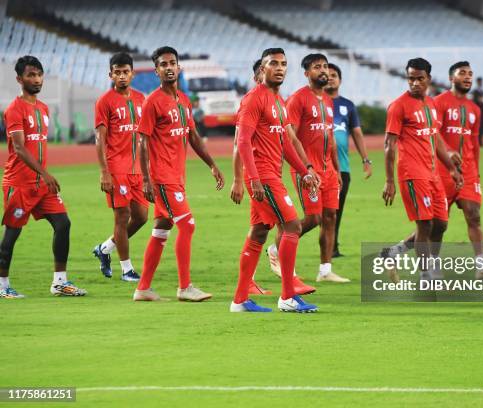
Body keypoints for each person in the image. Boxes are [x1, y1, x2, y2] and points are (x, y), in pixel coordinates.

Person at [133, 46, 225, 302]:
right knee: (188, 225)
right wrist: (147, 180)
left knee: (162, 229)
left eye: (172, 63)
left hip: (177, 176)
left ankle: (143, 288)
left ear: (179, 67)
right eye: (163, 64)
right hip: (162, 177)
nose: (169, 67)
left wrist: (212, 164)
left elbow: (193, 136)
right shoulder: (152, 102)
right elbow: (142, 141)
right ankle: (185, 287)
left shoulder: (183, 100)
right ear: (157, 71)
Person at [230, 48, 319, 312]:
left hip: (271, 174)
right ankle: (288, 296)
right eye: (273, 64)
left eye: (283, 64)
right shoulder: (254, 100)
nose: (279, 68)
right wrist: (253, 179)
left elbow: (285, 145)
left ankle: (240, 301)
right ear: (262, 70)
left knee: (258, 233)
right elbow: (242, 141)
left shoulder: (279, 102)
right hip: (263, 176)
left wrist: (304, 170)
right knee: (292, 227)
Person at [0, 55, 86, 298]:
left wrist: (43, 177)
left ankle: (60, 282)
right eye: (30, 75)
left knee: (63, 224)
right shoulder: (14, 110)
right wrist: (46, 173)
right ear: (19, 79)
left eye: (39, 75)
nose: (36, 79)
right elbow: (19, 147)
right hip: (19, 184)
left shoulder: (44, 109)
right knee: (12, 233)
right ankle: (2, 284)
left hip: (41, 186)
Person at [382, 58, 462, 280]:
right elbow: (389, 145)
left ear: (429, 79)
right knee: (425, 223)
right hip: (411, 173)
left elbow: (435, 138)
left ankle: (394, 252)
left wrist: (451, 169)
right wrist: (389, 181)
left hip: (434, 174)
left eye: (420, 78)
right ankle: (427, 275)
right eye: (411, 79)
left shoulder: (431, 104)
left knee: (441, 225)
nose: (415, 83)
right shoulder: (398, 106)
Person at [281, 53, 350, 283]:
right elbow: (290, 137)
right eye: (317, 67)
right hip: (306, 169)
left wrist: (337, 170)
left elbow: (330, 137)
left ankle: (325, 270)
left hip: (329, 170)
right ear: (306, 73)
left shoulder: (328, 102)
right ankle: (278, 247)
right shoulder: (298, 99)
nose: (324, 71)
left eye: (326, 66)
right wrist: (306, 167)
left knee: (330, 216)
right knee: (314, 217)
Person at [434, 61, 483, 279]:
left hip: (469, 172)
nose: (467, 77)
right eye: (462, 73)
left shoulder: (474, 109)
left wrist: (476, 172)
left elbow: (474, 142)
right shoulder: (439, 103)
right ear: (452, 78)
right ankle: (423, 263)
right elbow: (434, 134)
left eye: (470, 74)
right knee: (437, 225)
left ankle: (481, 265)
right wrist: (450, 151)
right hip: (442, 171)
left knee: (474, 215)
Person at [92, 52, 148, 282]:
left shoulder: (141, 99)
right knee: (122, 218)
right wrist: (104, 171)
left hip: (137, 170)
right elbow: (99, 139)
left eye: (126, 71)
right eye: (118, 72)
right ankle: (127, 269)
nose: (122, 76)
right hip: (117, 169)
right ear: (111, 74)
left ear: (132, 73)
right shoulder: (104, 101)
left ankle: (105, 248)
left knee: (142, 217)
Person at [324, 62, 372, 258]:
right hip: (321, 166)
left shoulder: (347, 106)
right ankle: (286, 242)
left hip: (342, 168)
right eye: (328, 74)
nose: (331, 77)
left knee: (336, 211)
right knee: (319, 214)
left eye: (335, 75)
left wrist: (366, 160)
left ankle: (332, 247)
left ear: (340, 80)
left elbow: (357, 134)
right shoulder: (317, 102)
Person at [471, 77, 483, 146]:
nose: (481, 83)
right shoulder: (475, 91)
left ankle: (480, 142)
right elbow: (474, 101)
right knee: (476, 128)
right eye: (480, 82)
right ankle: (476, 142)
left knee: (481, 128)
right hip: (477, 112)